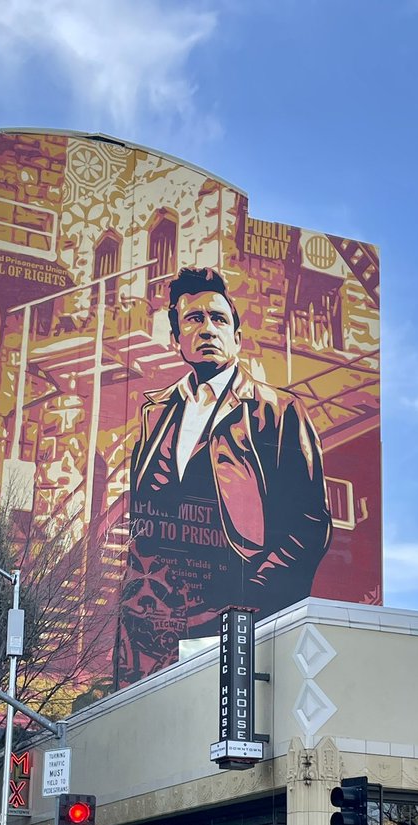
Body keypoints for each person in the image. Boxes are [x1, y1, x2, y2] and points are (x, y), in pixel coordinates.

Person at [117, 266, 333, 684]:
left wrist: (251, 599)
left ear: (236, 336)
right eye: (194, 319)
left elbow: (311, 525)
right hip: (153, 628)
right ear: (176, 338)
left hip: (236, 621)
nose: (208, 329)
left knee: (228, 739)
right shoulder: (156, 413)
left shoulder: (278, 411)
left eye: (219, 319)